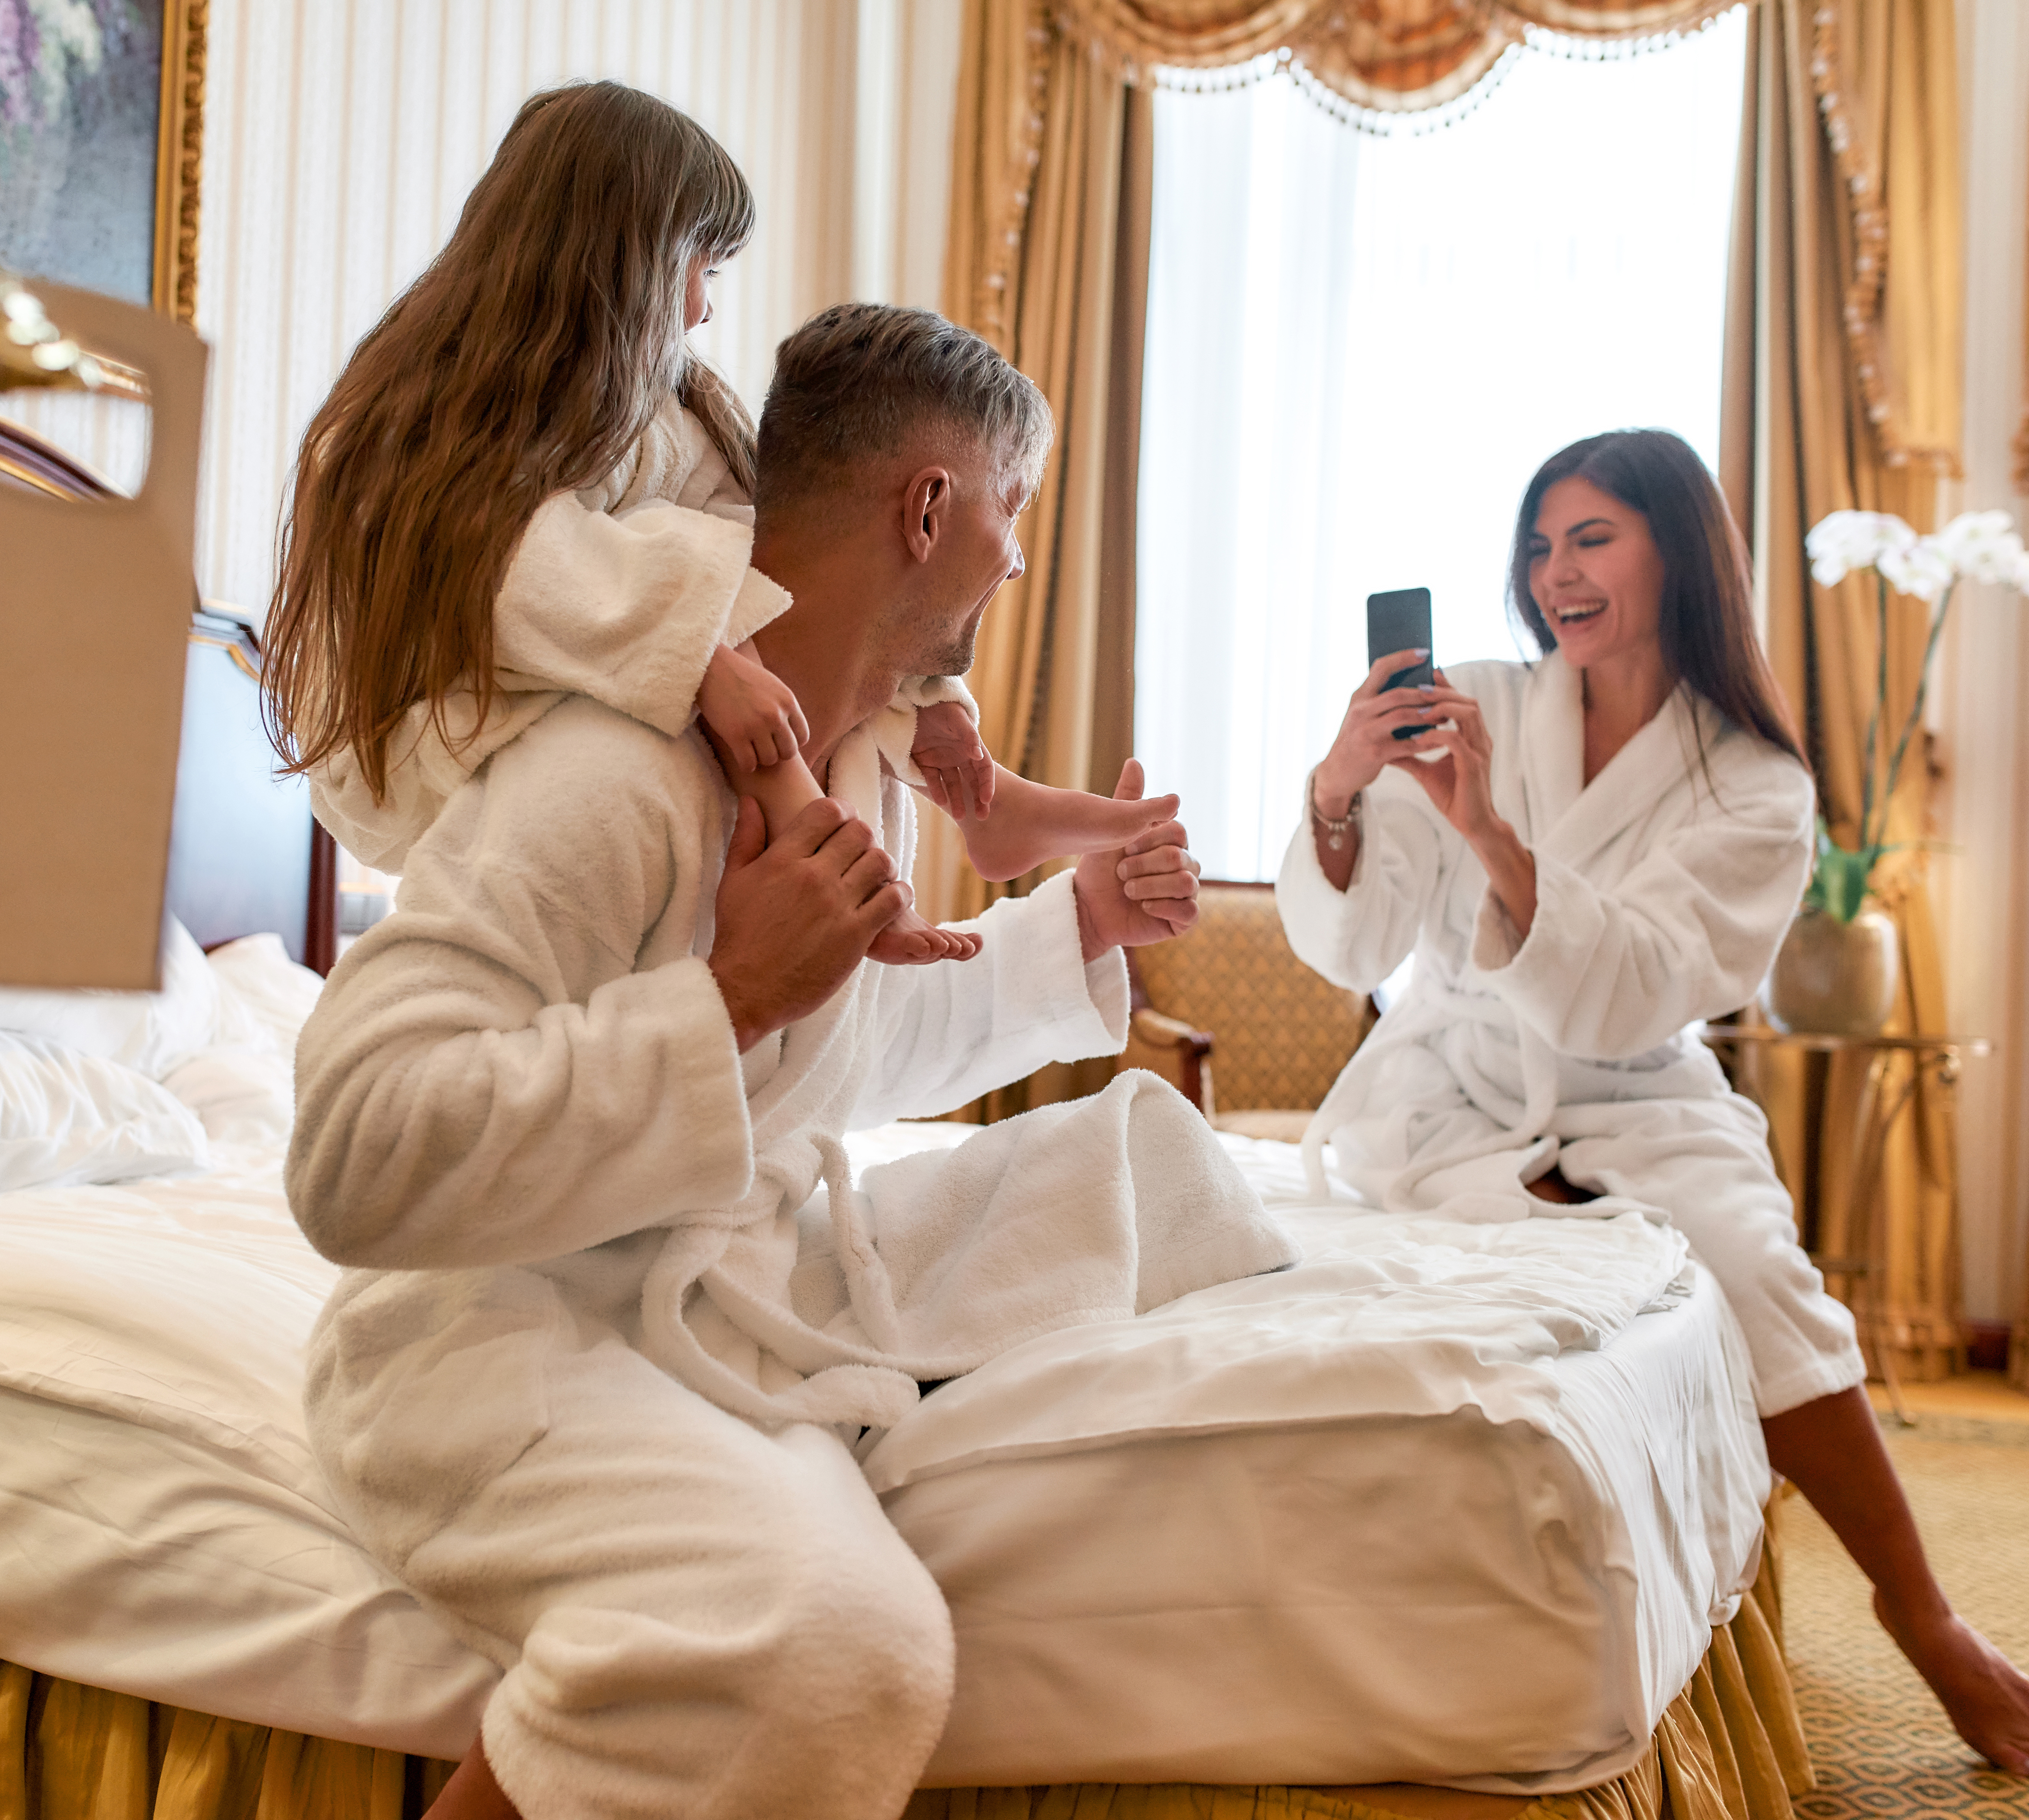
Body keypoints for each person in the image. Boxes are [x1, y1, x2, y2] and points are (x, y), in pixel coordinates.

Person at [271, 296, 1293, 1820]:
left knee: (1152, 1154)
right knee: (838, 1649)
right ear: (931, 507)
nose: (1014, 564)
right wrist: (730, 997)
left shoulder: (844, 764)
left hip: (703, 1275)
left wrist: (1069, 920)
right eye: (1009, 518)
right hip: (500, 1323)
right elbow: (351, 1153)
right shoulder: (609, 776)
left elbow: (837, 1063)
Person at [1282, 427, 2029, 1778]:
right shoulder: (1469, 700)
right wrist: (1343, 791)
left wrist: (1495, 839)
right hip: (1453, 1094)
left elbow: (1638, 991)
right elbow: (1356, 942)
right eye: (1539, 544)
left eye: (1593, 539)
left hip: (1635, 1093)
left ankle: (1919, 1609)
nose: (1556, 575)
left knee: (1754, 1268)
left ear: (1678, 553)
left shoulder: (1753, 785)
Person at [261, 80, 1174, 969]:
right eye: (703, 267)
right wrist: (708, 659)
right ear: (622, 254)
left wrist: (932, 698)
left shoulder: (667, 408)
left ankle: (980, 802)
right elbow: (500, 564)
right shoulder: (407, 433)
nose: (704, 306)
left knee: (779, 559)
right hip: (426, 715)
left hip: (597, 659)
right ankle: (839, 865)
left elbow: (787, 560)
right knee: (695, 561)